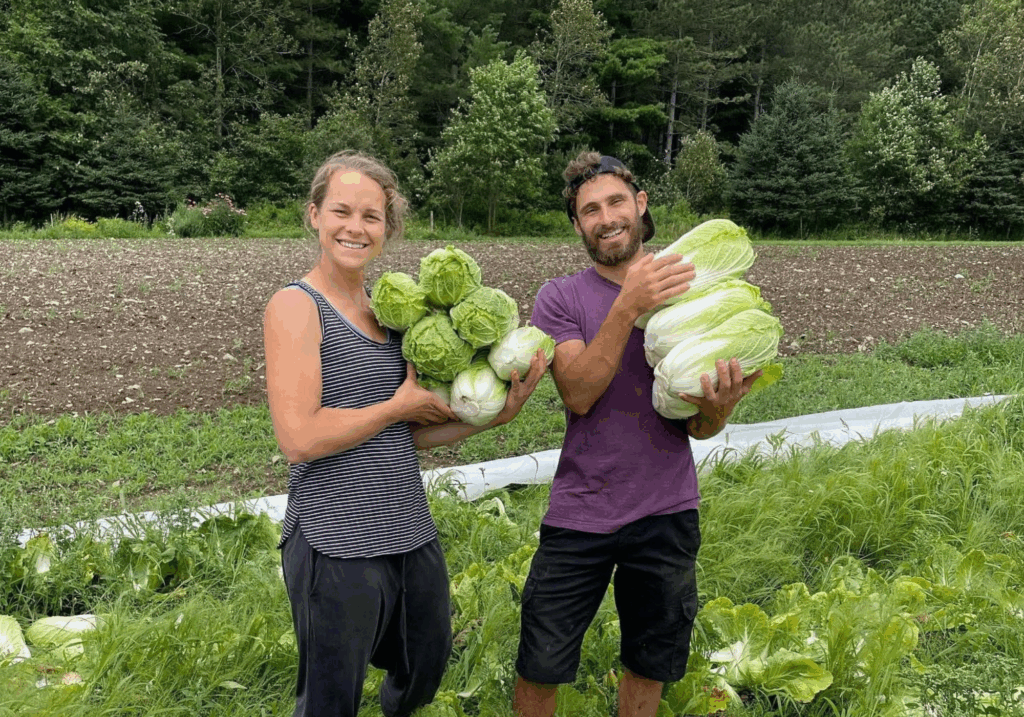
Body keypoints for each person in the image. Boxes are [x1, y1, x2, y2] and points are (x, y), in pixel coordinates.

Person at [263, 150, 547, 717]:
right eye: (341, 211)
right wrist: (395, 407)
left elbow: (405, 434)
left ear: (387, 228)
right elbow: (299, 437)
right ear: (314, 215)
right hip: (335, 538)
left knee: (425, 662)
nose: (355, 227)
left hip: (408, 528)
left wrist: (493, 417)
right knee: (329, 699)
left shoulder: (388, 314)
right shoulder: (297, 306)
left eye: (372, 216)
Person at [513, 152, 762, 717]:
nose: (606, 218)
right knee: (540, 662)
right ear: (577, 225)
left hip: (666, 511)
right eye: (590, 210)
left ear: (640, 204)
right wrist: (628, 305)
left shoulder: (691, 291)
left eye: (616, 202)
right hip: (580, 510)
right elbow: (578, 393)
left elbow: (697, 426)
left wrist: (718, 411)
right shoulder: (560, 297)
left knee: (650, 663)